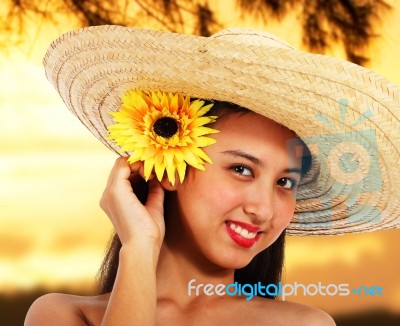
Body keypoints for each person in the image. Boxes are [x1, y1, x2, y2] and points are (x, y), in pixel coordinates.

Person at [25, 26, 400, 325]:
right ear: (168, 166)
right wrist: (138, 248)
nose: (264, 209)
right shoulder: (61, 315)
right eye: (241, 169)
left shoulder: (303, 324)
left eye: (285, 182)